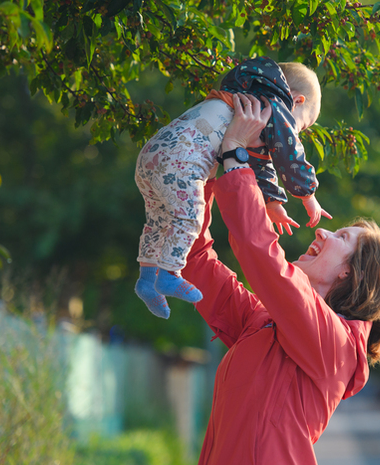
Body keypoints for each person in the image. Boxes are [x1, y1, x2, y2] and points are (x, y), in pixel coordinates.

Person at [179, 93, 380, 465]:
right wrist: (207, 168)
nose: (322, 232)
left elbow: (260, 255)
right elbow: (194, 258)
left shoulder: (337, 346)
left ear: (353, 273)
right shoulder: (262, 324)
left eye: (341, 237)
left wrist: (236, 158)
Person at [134, 57, 329, 319]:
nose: (297, 132)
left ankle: (146, 278)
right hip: (182, 161)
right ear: (296, 100)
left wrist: (272, 202)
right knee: (190, 216)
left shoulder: (246, 101)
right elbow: (289, 152)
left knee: (158, 220)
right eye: (303, 125)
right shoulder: (276, 107)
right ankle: (169, 273)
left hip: (151, 156)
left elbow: (260, 160)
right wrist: (308, 195)